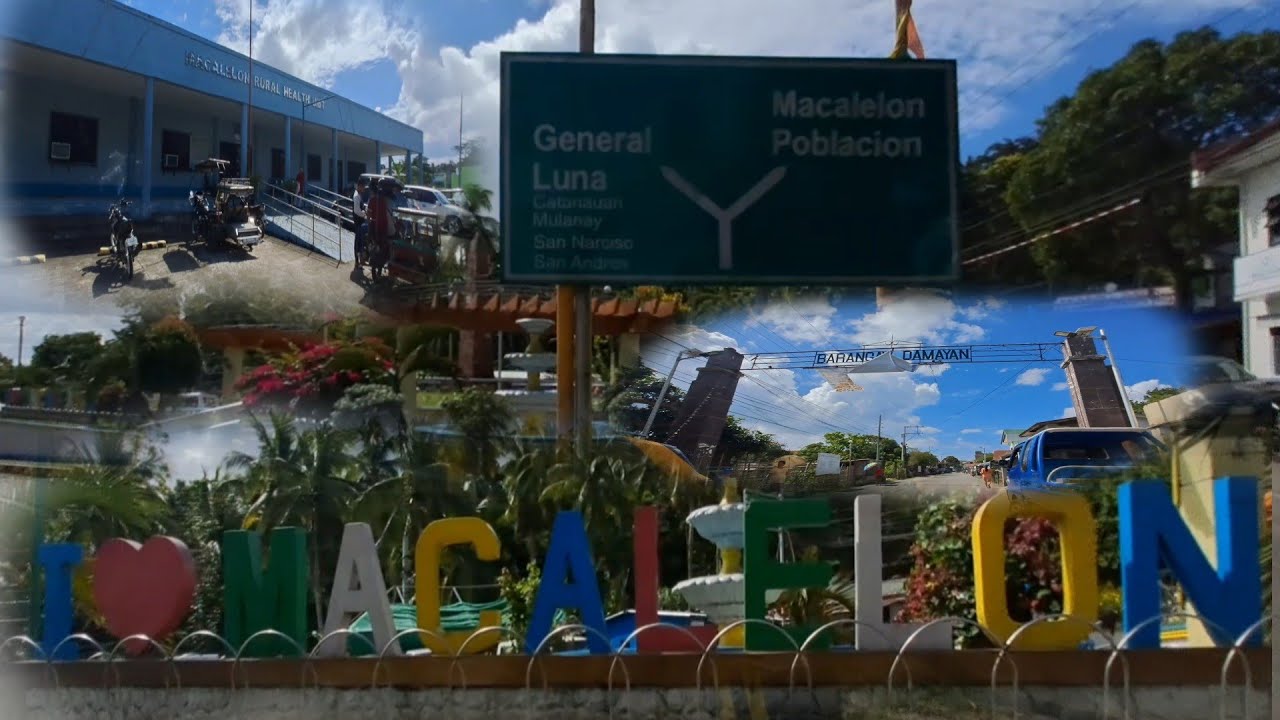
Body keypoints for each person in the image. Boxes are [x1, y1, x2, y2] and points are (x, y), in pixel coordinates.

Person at [352, 177, 369, 260]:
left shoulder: (359, 195)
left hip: (360, 221)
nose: (364, 189)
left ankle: (359, 258)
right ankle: (357, 260)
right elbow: (357, 210)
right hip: (358, 221)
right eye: (363, 187)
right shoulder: (356, 196)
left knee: (360, 240)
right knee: (358, 241)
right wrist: (364, 214)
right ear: (359, 186)